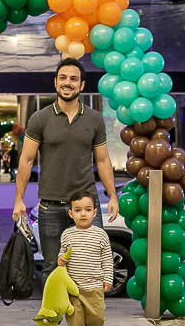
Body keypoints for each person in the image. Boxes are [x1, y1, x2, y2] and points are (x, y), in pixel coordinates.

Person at [12, 58, 119, 279]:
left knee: (89, 266)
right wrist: (18, 199)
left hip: (86, 204)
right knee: (53, 268)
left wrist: (112, 196)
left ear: (81, 85)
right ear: (55, 82)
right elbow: (26, 160)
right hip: (50, 206)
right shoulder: (40, 118)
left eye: (73, 79)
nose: (67, 83)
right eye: (63, 78)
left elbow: (102, 160)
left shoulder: (95, 119)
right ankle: (54, 315)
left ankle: (83, 314)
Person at [57, 191, 113, 326]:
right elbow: (62, 255)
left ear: (94, 213)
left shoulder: (100, 235)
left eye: (88, 209)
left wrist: (108, 278)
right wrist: (60, 260)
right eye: (78, 210)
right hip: (73, 287)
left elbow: (107, 259)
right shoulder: (67, 234)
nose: (83, 213)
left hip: (94, 286)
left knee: (97, 316)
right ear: (71, 213)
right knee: (74, 318)